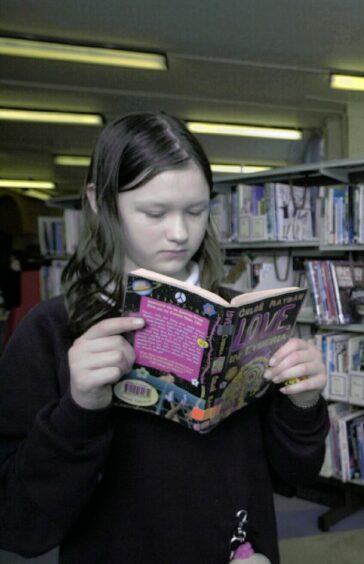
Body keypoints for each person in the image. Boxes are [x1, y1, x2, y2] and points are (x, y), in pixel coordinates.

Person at [0, 113, 330, 563]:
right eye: (154, 213)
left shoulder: (240, 318)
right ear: (100, 202)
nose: (179, 232)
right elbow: (18, 523)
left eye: (196, 211)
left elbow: (296, 471)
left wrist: (303, 404)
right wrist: (78, 409)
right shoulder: (49, 331)